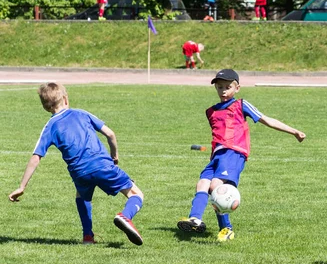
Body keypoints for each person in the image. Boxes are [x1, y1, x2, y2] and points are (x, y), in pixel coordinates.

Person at [177, 69, 305, 242]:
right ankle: (195, 219)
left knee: (216, 186)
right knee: (202, 184)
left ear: (237, 88)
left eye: (228, 87)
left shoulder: (241, 105)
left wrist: (294, 131)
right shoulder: (211, 112)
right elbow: (217, 135)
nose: (223, 91)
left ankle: (227, 229)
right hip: (217, 156)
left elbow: (266, 119)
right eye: (219, 87)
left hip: (234, 153)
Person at [8, 83, 144, 245]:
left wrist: (22, 187)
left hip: (79, 173)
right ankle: (125, 216)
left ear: (46, 107)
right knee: (136, 195)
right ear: (65, 98)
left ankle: (87, 237)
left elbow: (36, 157)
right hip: (102, 165)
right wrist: (114, 156)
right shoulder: (81, 114)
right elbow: (110, 134)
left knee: (82, 196)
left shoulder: (50, 126)